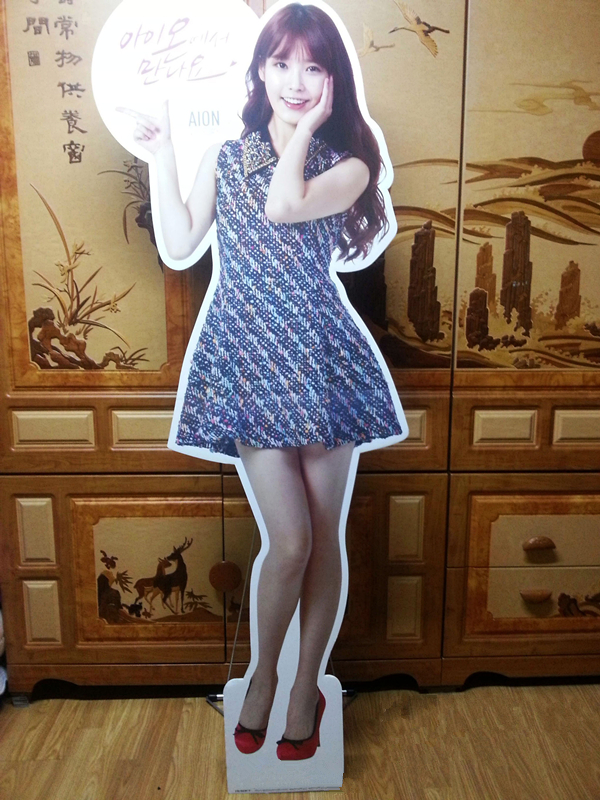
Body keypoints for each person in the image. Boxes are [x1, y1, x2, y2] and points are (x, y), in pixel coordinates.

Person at [120, 2, 405, 761]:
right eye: (282, 63)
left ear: (334, 80)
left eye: (314, 66)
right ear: (260, 70)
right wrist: (159, 154)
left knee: (322, 537)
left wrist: (305, 131)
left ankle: (305, 684)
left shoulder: (348, 163)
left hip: (320, 356)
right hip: (249, 356)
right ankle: (262, 676)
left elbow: (284, 204)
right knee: (291, 540)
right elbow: (180, 240)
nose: (296, 80)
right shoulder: (227, 157)